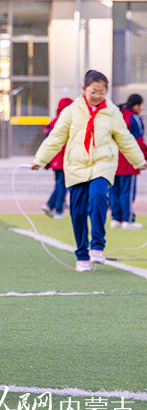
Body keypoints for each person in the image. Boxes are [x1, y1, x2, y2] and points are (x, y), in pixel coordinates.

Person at [33, 71, 147, 272]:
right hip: (76, 166)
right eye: (93, 91)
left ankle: (97, 245)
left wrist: (139, 160)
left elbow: (125, 138)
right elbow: (56, 137)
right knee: (77, 211)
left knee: (98, 196)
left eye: (102, 92)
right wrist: (40, 160)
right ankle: (82, 255)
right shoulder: (71, 111)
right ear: (84, 89)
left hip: (102, 165)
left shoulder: (112, 112)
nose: (97, 96)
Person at [110, 94, 147, 230]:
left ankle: (116, 218)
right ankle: (128, 219)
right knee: (127, 191)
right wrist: (143, 158)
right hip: (127, 160)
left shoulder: (117, 116)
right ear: (136, 106)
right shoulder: (133, 119)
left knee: (114, 191)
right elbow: (138, 141)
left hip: (113, 159)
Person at [41, 98, 74, 220]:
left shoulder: (54, 121)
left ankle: (51, 205)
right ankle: (57, 209)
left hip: (56, 158)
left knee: (59, 183)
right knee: (62, 184)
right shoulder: (65, 122)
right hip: (63, 158)